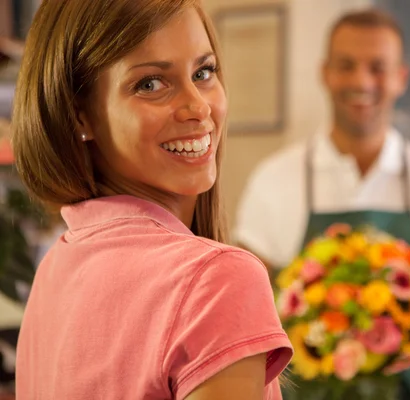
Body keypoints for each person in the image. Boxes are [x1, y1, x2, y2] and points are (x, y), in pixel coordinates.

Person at [11, 1, 292, 399]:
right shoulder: (216, 279)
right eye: (150, 84)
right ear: (79, 116)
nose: (198, 107)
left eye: (203, 72)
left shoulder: (57, 264)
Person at [235, 8, 410, 400]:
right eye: (346, 65)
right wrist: (327, 352)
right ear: (325, 73)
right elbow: (243, 312)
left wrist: (394, 350)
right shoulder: (273, 180)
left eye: (378, 67)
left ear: (401, 78)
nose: (362, 80)